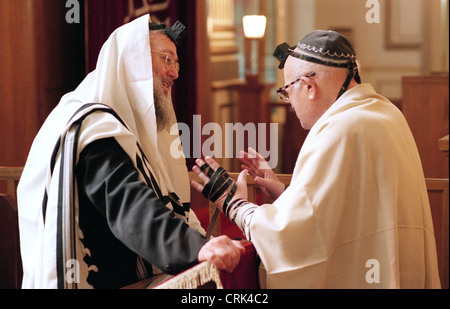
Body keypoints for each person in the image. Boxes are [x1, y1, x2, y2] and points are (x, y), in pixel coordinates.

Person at [191, 30, 441, 289]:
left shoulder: (339, 128)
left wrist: (234, 203)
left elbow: (290, 239)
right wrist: (288, 194)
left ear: (309, 86)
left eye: (287, 91)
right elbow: (351, 210)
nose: (289, 102)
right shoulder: (387, 113)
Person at [17, 14, 244, 289]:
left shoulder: (125, 127)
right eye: (166, 59)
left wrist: (204, 240)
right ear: (131, 61)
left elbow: (164, 205)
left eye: (177, 63)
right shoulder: (91, 126)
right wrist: (194, 248)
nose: (175, 73)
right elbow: (129, 205)